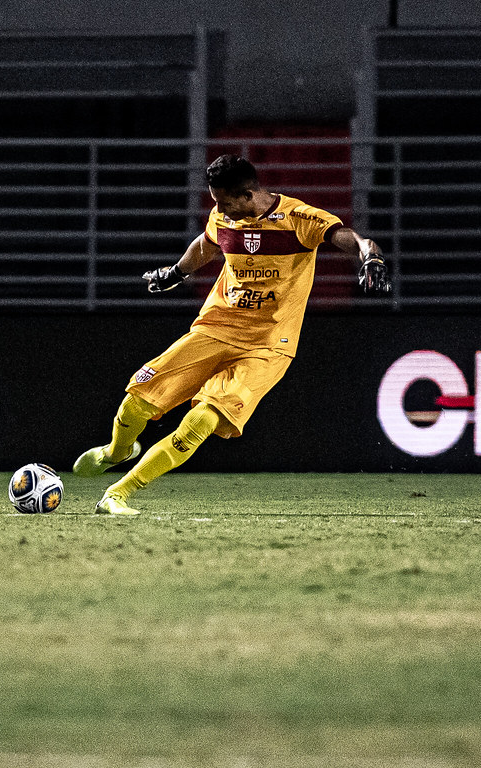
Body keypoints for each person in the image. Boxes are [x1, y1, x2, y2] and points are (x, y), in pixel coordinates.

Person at [73, 153, 390, 515]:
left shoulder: (299, 219)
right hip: (216, 327)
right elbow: (207, 244)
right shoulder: (223, 215)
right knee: (138, 398)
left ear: (248, 195)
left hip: (268, 345)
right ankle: (117, 451)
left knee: (202, 420)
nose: (220, 209)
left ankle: (118, 494)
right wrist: (176, 273)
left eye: (225, 202)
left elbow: (349, 237)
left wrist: (370, 257)